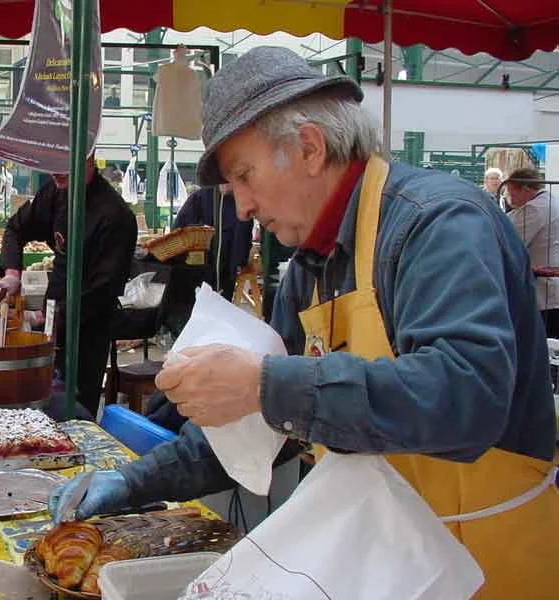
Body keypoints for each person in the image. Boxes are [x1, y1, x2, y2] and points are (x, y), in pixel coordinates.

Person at [51, 47, 558, 598]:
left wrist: (266, 385)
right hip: (381, 565)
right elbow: (262, 431)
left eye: (245, 176)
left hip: (485, 561)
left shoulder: (435, 224)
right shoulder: (310, 268)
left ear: (310, 148)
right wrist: (131, 480)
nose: (241, 208)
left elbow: (466, 395)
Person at [0, 155, 137, 417]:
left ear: (90, 159)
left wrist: (58, 315)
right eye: (52, 164)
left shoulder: (116, 216)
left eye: (65, 165)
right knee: (41, 401)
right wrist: (13, 274)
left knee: (77, 408)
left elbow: (105, 287)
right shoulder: (55, 192)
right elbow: (16, 228)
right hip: (51, 314)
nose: (55, 173)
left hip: (88, 325)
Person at [173, 183, 254, 301]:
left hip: (213, 269)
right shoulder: (201, 198)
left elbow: (177, 231)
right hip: (209, 270)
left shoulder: (240, 202)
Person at [504, 167, 559, 337]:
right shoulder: (551, 201)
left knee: (543, 344)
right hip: (550, 291)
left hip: (544, 293)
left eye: (512, 192)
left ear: (526, 189)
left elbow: (509, 239)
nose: (510, 197)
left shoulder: (535, 209)